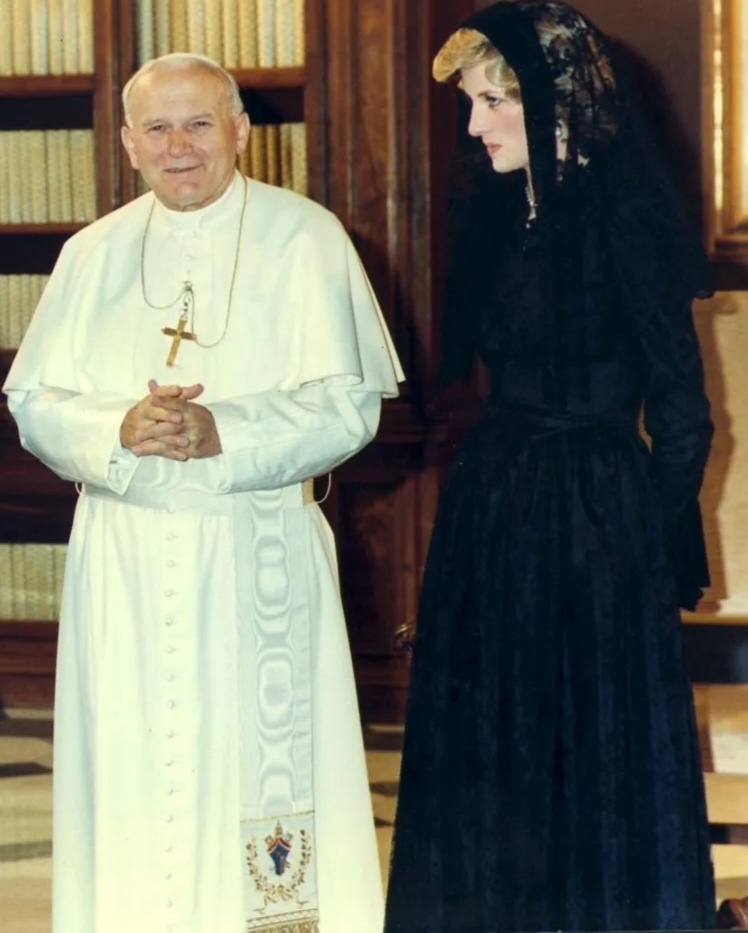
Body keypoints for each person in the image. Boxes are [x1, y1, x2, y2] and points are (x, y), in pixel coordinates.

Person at [3, 52, 403, 933]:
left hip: (256, 543)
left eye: (197, 124)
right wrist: (119, 425)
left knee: (260, 769)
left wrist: (225, 430)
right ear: (128, 144)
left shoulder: (306, 240)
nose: (178, 146)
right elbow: (34, 402)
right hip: (126, 556)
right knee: (131, 763)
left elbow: (348, 406)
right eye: (157, 128)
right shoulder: (90, 253)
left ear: (240, 132)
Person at [384, 3, 716, 931]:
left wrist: (640, 535)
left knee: (586, 741)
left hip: (594, 510)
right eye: (471, 102)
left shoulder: (627, 225)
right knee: (493, 745)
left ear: (558, 104)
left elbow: (684, 413)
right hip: (493, 507)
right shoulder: (500, 220)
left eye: (494, 102)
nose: (474, 124)